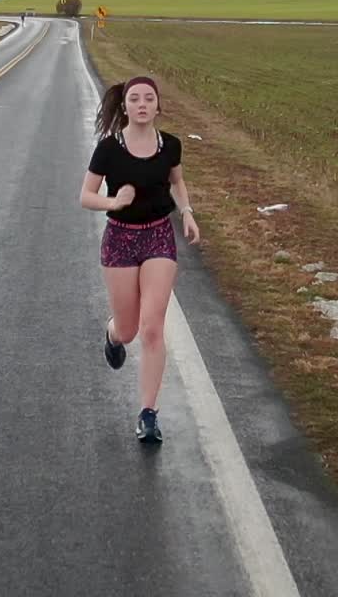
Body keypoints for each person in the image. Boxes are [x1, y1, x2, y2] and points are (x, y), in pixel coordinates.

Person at [79, 76, 199, 443]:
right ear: (126, 106)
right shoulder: (109, 148)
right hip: (119, 239)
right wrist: (113, 201)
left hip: (159, 235)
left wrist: (188, 212)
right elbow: (86, 195)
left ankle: (148, 413)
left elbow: (176, 182)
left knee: (152, 328)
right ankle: (112, 334)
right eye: (135, 98)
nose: (142, 104)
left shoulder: (171, 146)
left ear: (158, 106)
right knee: (130, 330)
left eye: (149, 98)